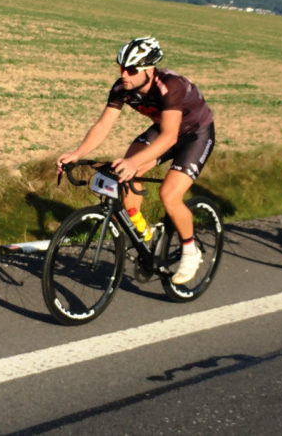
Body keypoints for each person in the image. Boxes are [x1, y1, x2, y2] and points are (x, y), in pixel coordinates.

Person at [56, 36, 215, 284]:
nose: (124, 74)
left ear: (149, 69)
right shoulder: (122, 88)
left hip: (195, 134)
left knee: (169, 195)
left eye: (131, 69)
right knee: (123, 175)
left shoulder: (169, 86)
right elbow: (103, 125)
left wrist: (134, 163)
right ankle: (143, 236)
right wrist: (78, 153)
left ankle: (189, 249)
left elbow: (171, 136)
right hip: (163, 130)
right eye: (121, 67)